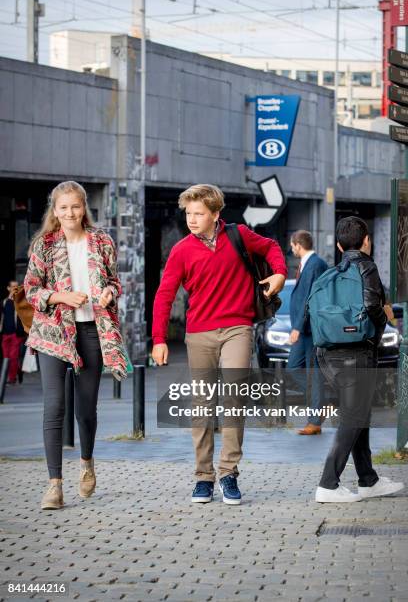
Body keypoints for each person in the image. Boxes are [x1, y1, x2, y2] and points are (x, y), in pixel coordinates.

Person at [152, 184, 287, 504]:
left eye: (199, 213)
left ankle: (228, 473)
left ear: (215, 214)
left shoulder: (238, 234)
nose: (192, 219)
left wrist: (280, 273)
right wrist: (158, 338)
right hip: (199, 334)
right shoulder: (182, 250)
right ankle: (203, 477)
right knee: (202, 406)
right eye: (188, 214)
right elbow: (165, 294)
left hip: (237, 328)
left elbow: (270, 247)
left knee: (234, 399)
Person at [24, 180, 127, 510]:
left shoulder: (101, 242)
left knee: (85, 409)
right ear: (55, 211)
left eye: (76, 206)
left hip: (92, 331)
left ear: (85, 208)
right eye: (63, 207)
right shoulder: (44, 246)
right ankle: (54, 484)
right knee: (54, 406)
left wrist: (110, 292)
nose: (70, 213)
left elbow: (114, 281)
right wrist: (60, 296)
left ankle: (86, 463)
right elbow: (31, 290)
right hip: (52, 334)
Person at [315, 216, 404, 502]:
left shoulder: (331, 274)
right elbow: (370, 305)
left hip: (329, 354)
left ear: (340, 245)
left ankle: (368, 480)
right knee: (354, 417)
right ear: (366, 241)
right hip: (357, 353)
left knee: (360, 415)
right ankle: (328, 484)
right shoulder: (366, 266)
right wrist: (383, 323)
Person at [287, 230, 328, 434]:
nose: (291, 249)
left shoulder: (316, 264)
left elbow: (310, 299)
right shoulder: (306, 264)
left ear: (298, 245)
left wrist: (297, 327)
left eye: (292, 245)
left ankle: (315, 420)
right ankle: (319, 404)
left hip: (309, 330)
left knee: (313, 374)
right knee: (293, 368)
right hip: (303, 329)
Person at [0, 280, 26, 384]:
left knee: (13, 357)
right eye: (13, 286)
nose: (15, 288)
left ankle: (12, 378)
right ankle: (17, 372)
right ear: (8, 288)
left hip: (16, 334)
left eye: (17, 286)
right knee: (6, 357)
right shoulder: (4, 302)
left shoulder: (20, 301)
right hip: (5, 334)